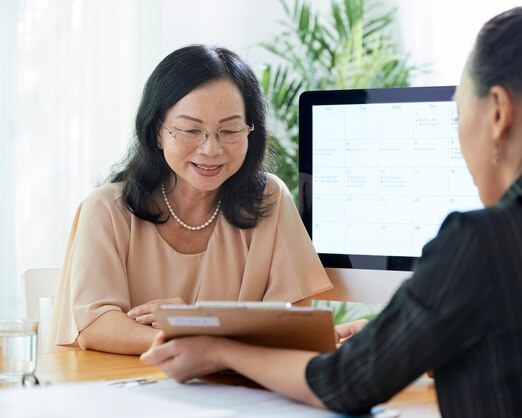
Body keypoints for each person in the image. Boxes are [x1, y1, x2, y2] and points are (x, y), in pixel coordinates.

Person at [141, 7, 522, 417]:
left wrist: (218, 349)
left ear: (497, 112)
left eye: (458, 113)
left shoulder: (483, 241)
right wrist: (415, 334)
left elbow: (344, 384)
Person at [47, 45, 332, 355]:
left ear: (251, 131)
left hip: (232, 391)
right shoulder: (106, 209)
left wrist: (199, 327)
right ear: (157, 131)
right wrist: (197, 340)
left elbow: (294, 316)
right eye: (191, 130)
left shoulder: (269, 198)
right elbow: (95, 326)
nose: (211, 149)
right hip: (125, 390)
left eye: (230, 129)